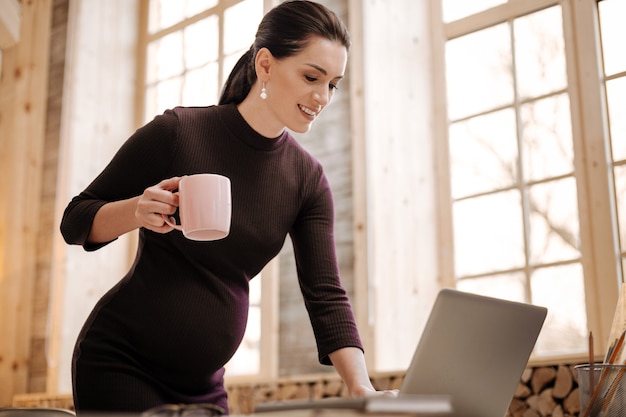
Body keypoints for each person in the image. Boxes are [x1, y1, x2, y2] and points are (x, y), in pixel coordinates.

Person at [60, 0, 384, 414]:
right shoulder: (179, 132)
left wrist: (361, 386)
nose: (322, 97)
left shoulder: (308, 180)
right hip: (122, 363)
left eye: (333, 84)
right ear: (265, 64)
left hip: (206, 386)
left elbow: (326, 294)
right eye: (311, 76)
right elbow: (75, 220)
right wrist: (135, 211)